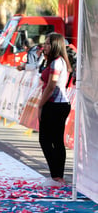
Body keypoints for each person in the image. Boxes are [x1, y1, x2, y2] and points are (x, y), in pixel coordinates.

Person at [37, 32, 72, 187]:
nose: (44, 46)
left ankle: (56, 176)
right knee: (54, 140)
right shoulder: (54, 62)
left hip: (55, 105)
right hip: (57, 104)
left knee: (48, 140)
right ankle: (57, 176)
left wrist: (40, 105)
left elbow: (52, 86)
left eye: (47, 43)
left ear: (55, 45)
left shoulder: (57, 63)